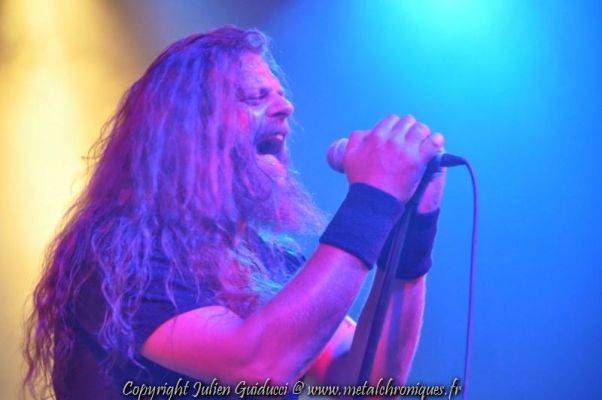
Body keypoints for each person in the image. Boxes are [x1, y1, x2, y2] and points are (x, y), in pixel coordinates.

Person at [24, 26, 446, 399]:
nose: (286, 108)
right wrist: (372, 197)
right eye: (254, 97)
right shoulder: (122, 254)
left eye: (280, 95)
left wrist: (410, 239)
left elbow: (367, 385)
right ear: (188, 130)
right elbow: (258, 366)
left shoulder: (273, 259)